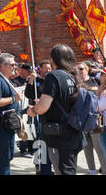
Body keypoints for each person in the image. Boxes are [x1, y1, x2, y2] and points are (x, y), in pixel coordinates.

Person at [27, 44, 83, 175]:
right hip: (74, 131)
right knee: (69, 169)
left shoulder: (54, 76)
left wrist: (32, 111)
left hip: (58, 134)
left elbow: (42, 107)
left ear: (53, 59)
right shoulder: (74, 76)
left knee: (62, 171)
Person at [0, 53, 23, 175]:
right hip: (0, 124)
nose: (15, 67)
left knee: (7, 155)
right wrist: (13, 99)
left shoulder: (6, 79)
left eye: (15, 64)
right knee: (3, 156)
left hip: (9, 124)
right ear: (2, 65)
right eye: (12, 64)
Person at [77, 62, 106, 175]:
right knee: (87, 145)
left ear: (87, 69)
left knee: (99, 146)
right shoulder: (76, 84)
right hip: (83, 118)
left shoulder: (95, 81)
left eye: (81, 69)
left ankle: (105, 170)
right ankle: (92, 169)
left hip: (97, 118)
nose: (79, 71)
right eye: (77, 69)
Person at [25, 60, 54, 175]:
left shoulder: (51, 80)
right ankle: (38, 164)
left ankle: (49, 165)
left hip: (49, 113)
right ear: (40, 69)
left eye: (49, 68)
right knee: (39, 139)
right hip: (37, 113)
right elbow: (28, 94)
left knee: (49, 141)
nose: (47, 70)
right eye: (45, 68)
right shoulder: (36, 80)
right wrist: (31, 80)